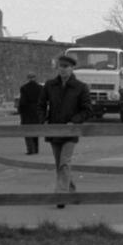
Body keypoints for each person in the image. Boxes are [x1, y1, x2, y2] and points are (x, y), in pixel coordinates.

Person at [37, 53, 93, 208]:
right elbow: (40, 105)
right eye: (61, 66)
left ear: (72, 68)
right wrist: (44, 120)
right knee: (59, 164)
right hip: (54, 130)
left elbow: (87, 110)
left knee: (64, 162)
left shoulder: (81, 87)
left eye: (66, 67)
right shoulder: (50, 85)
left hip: (70, 132)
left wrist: (73, 121)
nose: (63, 70)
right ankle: (71, 189)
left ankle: (61, 196)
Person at [17, 71, 44, 154]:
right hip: (37, 112)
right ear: (35, 78)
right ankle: (36, 149)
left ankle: (30, 149)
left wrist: (20, 110)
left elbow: (22, 102)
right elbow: (43, 101)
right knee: (35, 131)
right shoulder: (40, 88)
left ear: (28, 79)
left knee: (27, 131)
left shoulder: (24, 88)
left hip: (27, 112)